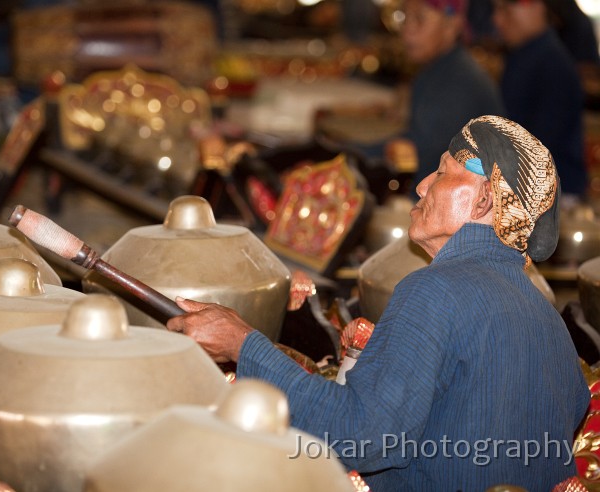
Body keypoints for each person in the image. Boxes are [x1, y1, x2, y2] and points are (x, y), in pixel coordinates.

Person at [167, 115, 590, 491]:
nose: (422, 185)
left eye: (443, 172)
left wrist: (243, 343)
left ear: (483, 200)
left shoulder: (434, 289)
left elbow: (363, 437)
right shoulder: (545, 317)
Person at [382, 0, 506, 192]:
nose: (407, 30)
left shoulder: (461, 80)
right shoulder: (435, 70)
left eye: (420, 19)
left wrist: (347, 152)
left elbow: (418, 153)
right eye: (405, 17)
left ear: (452, 24)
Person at [492, 0, 589, 201]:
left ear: (537, 6)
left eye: (506, 9)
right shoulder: (525, 54)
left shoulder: (552, 64)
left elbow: (539, 145)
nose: (498, 20)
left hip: (551, 196)